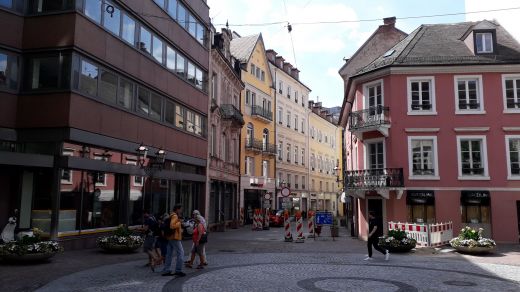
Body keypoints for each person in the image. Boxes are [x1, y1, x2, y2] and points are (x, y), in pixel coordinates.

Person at [161, 204, 186, 277]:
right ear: (177, 209)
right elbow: (172, 226)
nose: (181, 210)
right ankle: (178, 270)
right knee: (181, 253)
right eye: (181, 209)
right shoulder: (175, 216)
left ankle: (166, 270)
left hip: (170, 237)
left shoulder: (171, 215)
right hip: (175, 238)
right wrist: (179, 222)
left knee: (169, 254)